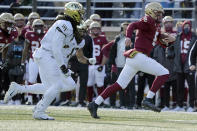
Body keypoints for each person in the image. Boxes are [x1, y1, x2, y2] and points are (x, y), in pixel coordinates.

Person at [4, 2, 96, 120]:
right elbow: (55, 47)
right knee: (56, 86)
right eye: (82, 31)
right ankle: (39, 110)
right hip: (47, 55)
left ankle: (18, 88)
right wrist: (63, 67)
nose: (83, 33)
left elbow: (80, 57)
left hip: (53, 59)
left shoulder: (78, 39)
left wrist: (89, 61)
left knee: (66, 85)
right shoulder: (64, 24)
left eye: (85, 31)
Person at [87, 2, 176, 118]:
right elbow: (132, 25)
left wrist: (169, 40)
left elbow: (157, 40)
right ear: (151, 12)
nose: (160, 16)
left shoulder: (155, 26)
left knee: (119, 84)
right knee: (164, 73)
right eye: (158, 13)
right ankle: (148, 99)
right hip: (139, 56)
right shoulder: (148, 20)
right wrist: (128, 36)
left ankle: (95, 103)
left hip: (135, 58)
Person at [173, 20, 197, 112]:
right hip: (179, 65)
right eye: (185, 25)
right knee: (180, 87)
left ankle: (191, 105)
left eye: (188, 26)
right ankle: (180, 105)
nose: (186, 27)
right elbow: (173, 49)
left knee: (191, 87)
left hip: (190, 65)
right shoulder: (178, 36)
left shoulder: (194, 37)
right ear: (182, 26)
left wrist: (194, 64)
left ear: (190, 27)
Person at [21, 19, 45, 105]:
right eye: (36, 26)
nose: (38, 28)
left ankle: (44, 99)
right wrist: (23, 62)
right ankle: (30, 98)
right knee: (31, 79)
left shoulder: (46, 34)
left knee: (44, 80)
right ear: (32, 27)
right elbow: (25, 49)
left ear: (43, 27)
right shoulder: (29, 34)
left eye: (40, 26)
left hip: (44, 60)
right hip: (33, 59)